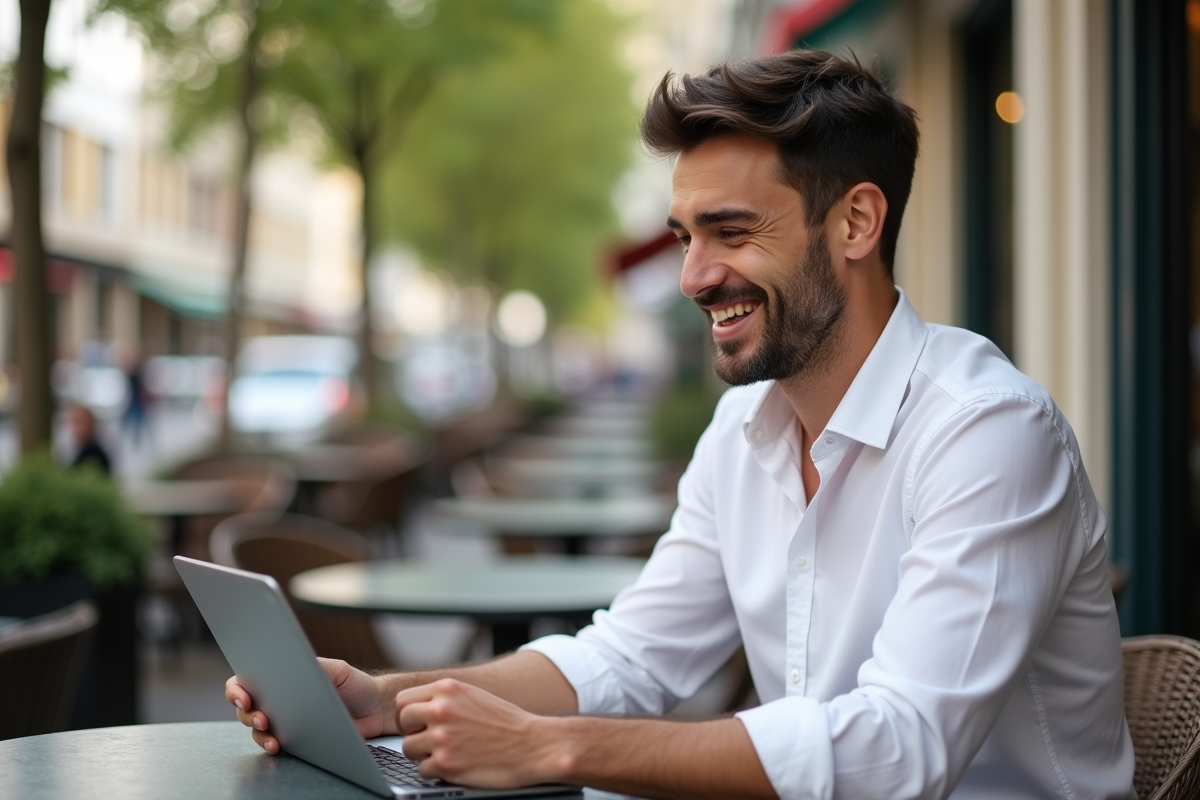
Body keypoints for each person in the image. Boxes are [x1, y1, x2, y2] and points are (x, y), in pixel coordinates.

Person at [227, 50, 1135, 799]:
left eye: (731, 232)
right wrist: (392, 701)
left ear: (856, 222)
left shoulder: (988, 433)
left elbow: (900, 746)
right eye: (684, 236)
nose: (695, 276)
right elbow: (631, 657)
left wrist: (552, 748)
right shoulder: (744, 428)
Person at [68, 403, 111, 475]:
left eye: (80, 422)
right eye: (74, 422)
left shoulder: (95, 455)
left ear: (91, 423)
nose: (76, 428)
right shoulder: (77, 450)